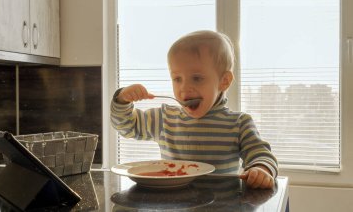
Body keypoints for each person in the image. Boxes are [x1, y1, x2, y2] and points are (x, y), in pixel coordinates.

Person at [110, 30, 278, 189]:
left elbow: (261, 154)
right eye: (177, 79)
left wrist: (261, 169)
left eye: (197, 78)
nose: (184, 88)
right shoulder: (164, 118)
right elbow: (127, 126)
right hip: (175, 204)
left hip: (222, 206)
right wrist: (123, 100)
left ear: (224, 81)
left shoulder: (239, 123)